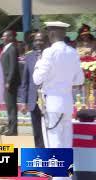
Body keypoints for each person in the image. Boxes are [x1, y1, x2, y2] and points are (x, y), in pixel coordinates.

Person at [33, 21, 84, 150]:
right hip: (67, 102)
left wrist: (38, 64)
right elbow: (79, 80)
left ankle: (56, 171)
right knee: (66, 142)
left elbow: (37, 79)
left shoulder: (49, 52)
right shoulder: (73, 52)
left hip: (52, 103)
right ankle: (66, 170)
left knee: (54, 142)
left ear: (52, 33)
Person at [19, 31, 49, 148]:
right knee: (37, 132)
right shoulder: (29, 56)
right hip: (33, 101)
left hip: (48, 100)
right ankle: (40, 157)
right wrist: (23, 101)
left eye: (41, 40)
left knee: (49, 131)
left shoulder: (51, 55)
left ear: (46, 41)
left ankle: (51, 156)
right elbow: (25, 81)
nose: (38, 43)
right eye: (36, 40)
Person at [0, 30, 21, 136]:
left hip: (10, 83)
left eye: (5, 36)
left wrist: (8, 81)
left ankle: (13, 129)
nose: (2, 38)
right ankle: (11, 127)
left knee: (11, 106)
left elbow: (13, 67)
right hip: (7, 81)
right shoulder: (7, 48)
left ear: (10, 37)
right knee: (9, 106)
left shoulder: (12, 49)